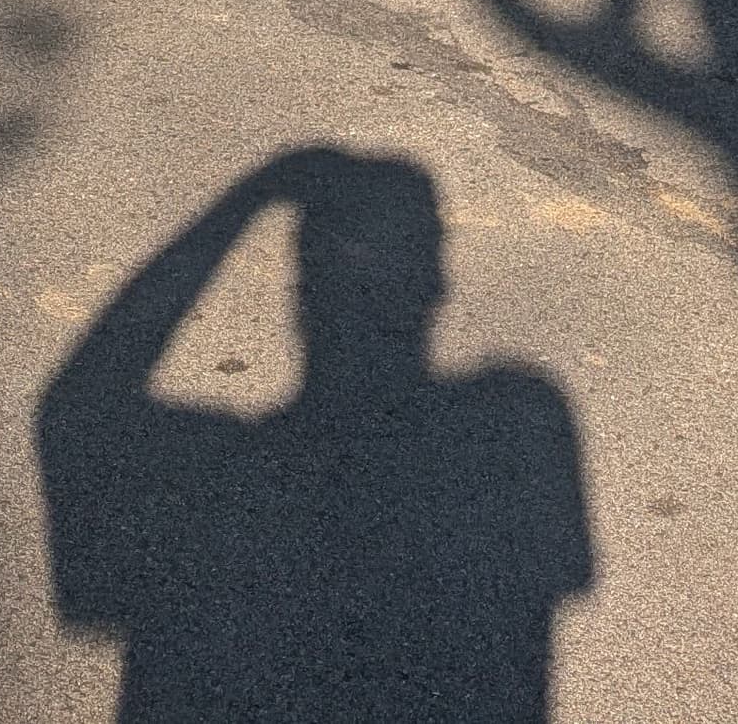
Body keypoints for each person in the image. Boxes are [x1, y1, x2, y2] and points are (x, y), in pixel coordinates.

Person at [39, 147, 592, 721]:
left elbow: (77, 406)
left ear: (303, 296)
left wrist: (246, 202)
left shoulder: (225, 473)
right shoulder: (521, 419)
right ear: (435, 285)